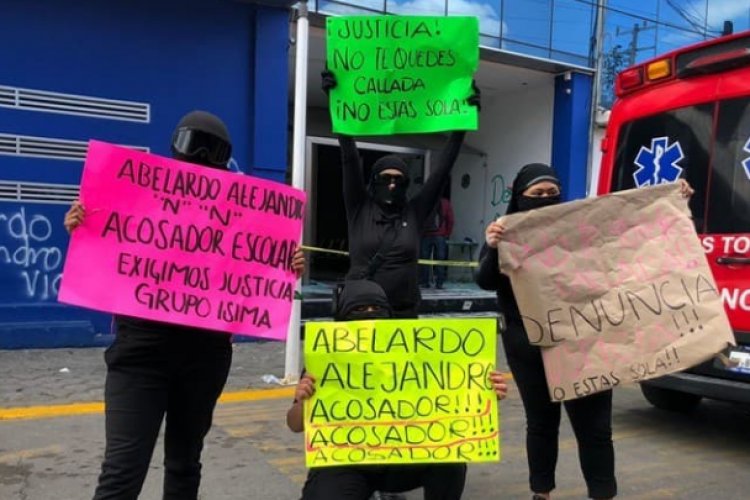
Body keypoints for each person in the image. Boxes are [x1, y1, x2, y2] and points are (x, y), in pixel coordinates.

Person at [64, 110, 306, 500]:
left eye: (213, 152)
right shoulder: (140, 194)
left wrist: (288, 264)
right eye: (194, 147)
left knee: (184, 464)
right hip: (140, 356)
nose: (201, 160)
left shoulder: (241, 214)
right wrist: (83, 225)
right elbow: (109, 244)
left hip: (204, 358)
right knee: (123, 471)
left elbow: (257, 264)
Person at [475, 163, 695, 500]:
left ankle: (602, 493)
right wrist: (493, 246)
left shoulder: (578, 228)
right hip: (528, 347)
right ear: (519, 199)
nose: (546, 200)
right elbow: (486, 280)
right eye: (536, 195)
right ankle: (541, 492)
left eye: (552, 194)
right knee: (541, 425)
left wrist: (670, 200)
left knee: (594, 429)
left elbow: (628, 230)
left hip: (584, 341)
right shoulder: (504, 232)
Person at [287, 279, 509, 500]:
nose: (370, 314)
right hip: (348, 463)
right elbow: (294, 425)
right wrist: (303, 400)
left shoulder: (415, 354)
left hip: (403, 460)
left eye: (377, 308)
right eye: (360, 309)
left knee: (451, 463)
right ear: (342, 315)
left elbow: (451, 400)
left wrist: (483, 391)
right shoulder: (326, 358)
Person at [322, 70, 479, 318]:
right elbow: (349, 158)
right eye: (385, 179)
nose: (392, 185)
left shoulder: (415, 212)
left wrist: (462, 126)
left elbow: (442, 170)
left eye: (398, 179)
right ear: (374, 181)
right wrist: (337, 101)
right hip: (360, 311)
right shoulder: (359, 207)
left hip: (403, 313)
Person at [419, 194, 454, 289]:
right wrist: (447, 233)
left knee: (424, 260)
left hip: (426, 235)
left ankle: (424, 282)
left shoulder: (425, 202)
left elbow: (419, 218)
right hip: (440, 235)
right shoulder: (445, 203)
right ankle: (439, 283)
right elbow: (450, 219)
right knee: (440, 260)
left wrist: (420, 233)